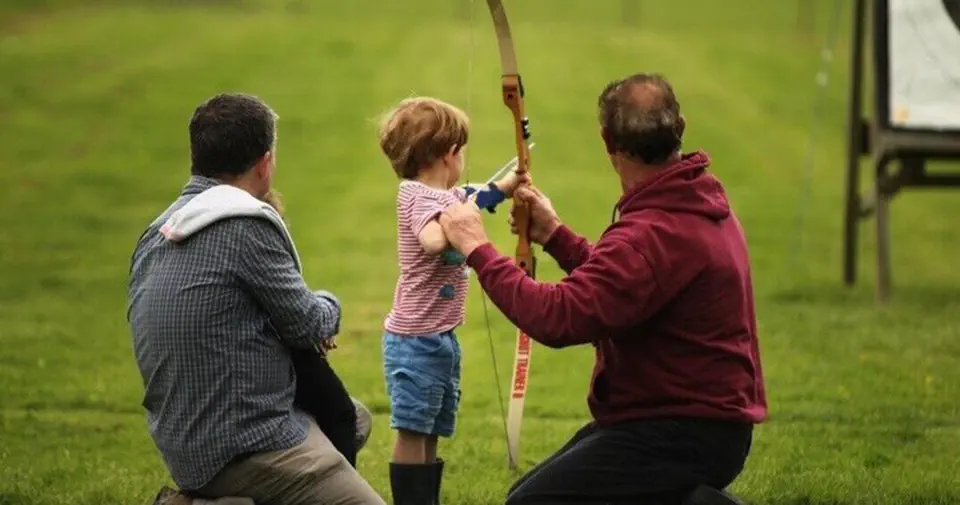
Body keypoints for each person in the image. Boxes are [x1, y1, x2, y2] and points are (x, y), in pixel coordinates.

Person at [437, 73, 767, 505]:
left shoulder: (650, 234)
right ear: (680, 128)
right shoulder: (695, 199)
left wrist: (478, 248)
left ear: (607, 141)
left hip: (681, 430)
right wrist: (555, 235)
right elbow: (625, 287)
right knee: (526, 494)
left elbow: (558, 316)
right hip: (693, 423)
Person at [127, 93, 385, 505]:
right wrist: (330, 304)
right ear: (265, 163)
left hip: (184, 445)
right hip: (250, 443)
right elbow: (307, 323)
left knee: (354, 421)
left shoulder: (158, 231)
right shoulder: (245, 225)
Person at [376, 96, 528, 505]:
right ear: (448, 155)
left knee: (430, 427)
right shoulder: (416, 196)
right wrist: (465, 212)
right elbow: (431, 241)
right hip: (415, 339)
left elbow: (488, 192)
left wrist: (517, 173)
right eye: (462, 151)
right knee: (412, 428)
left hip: (439, 337)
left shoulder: (451, 196)